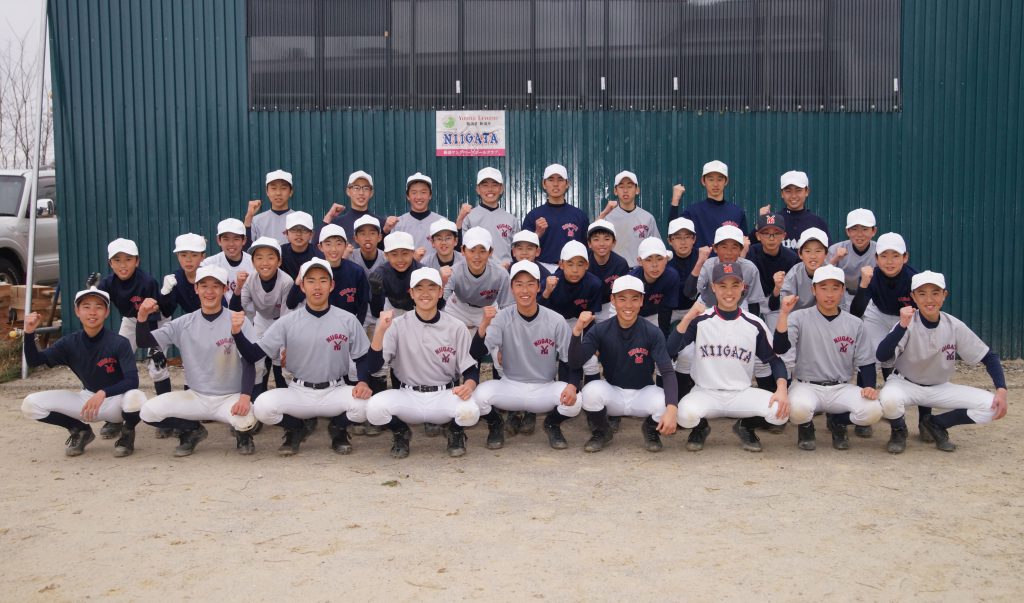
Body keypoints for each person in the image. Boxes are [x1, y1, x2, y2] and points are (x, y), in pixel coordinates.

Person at [231, 258, 374, 456]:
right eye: (311, 281)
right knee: (262, 407)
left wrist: (363, 382)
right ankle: (296, 428)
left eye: (323, 280)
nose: (317, 286)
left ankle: (338, 428)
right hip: (299, 391)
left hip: (335, 389)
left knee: (368, 406)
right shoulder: (287, 321)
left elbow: (362, 357)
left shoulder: (347, 319)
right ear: (302, 286)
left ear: (332, 285)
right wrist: (237, 333)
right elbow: (253, 354)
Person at [876, 271, 1008, 453]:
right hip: (905, 385)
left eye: (935, 293)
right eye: (922, 293)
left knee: (993, 407)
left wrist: (1001, 389)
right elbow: (882, 355)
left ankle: (936, 423)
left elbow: (988, 356)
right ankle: (898, 430)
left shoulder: (953, 325)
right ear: (913, 297)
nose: (929, 299)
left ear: (944, 295)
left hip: (939, 388)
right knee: (888, 400)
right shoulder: (907, 323)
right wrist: (901, 326)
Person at [135, 266, 259, 456]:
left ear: (225, 288)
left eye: (216, 286)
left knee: (246, 420)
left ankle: (243, 436)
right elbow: (144, 341)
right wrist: (142, 316)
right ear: (196, 288)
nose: (209, 291)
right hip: (196, 396)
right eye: (204, 286)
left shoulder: (236, 320)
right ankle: (192, 430)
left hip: (229, 397)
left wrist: (244, 397)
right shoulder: (184, 323)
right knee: (148, 412)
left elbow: (249, 361)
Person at [669, 262, 791, 453]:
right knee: (684, 415)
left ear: (743, 287)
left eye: (735, 285)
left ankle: (745, 426)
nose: (729, 292)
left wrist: (782, 389)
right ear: (713, 287)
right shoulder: (701, 320)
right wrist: (687, 317)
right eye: (722, 285)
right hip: (705, 392)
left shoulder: (754, 323)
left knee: (780, 412)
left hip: (741, 393)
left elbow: (775, 360)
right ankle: (700, 428)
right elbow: (671, 349)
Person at [364, 268, 481, 458]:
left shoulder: (456, 326)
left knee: (471, 412)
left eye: (431, 287)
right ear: (411, 293)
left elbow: (470, 369)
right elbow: (373, 367)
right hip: (408, 396)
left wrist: (468, 385)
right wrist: (379, 332)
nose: (425, 293)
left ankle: (455, 431)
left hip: (443, 395)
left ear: (440, 292)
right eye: (419, 288)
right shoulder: (397, 325)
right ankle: (401, 432)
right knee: (373, 409)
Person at [20, 287, 146, 457]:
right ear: (77, 311)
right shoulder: (69, 343)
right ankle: (80, 430)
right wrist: (29, 333)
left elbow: (132, 381)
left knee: (137, 398)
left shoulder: (119, 342)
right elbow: (35, 361)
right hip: (87, 401)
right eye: (86, 307)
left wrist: (103, 393)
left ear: (107, 312)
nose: (92, 312)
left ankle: (127, 433)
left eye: (99, 307)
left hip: (116, 402)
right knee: (31, 404)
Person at [470, 261, 583, 450]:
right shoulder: (502, 317)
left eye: (530, 284)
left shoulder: (555, 320)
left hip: (544, 387)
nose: (525, 290)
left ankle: (552, 424)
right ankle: (496, 424)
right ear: (511, 288)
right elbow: (476, 353)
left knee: (576, 400)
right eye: (519, 284)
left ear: (539, 287)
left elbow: (571, 359)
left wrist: (572, 385)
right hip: (510, 386)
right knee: (478, 397)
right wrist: (483, 325)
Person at [771, 265, 882, 450]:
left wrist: (869, 386)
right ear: (813, 290)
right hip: (807, 386)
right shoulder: (798, 317)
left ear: (843, 291)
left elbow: (866, 362)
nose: (829, 294)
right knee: (797, 410)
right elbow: (780, 348)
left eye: (835, 288)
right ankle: (806, 426)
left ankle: (838, 422)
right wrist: (783, 314)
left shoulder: (855, 323)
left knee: (873, 410)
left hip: (841, 386)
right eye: (823, 288)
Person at [569, 275, 678, 453]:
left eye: (634, 299)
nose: (628, 305)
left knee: (664, 401)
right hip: (613, 392)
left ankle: (650, 430)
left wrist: (672, 409)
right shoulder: (600, 330)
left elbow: (667, 371)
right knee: (590, 392)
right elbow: (575, 362)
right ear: (612, 300)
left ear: (642, 301)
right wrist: (577, 330)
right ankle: (602, 431)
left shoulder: (652, 332)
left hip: (643, 393)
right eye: (622, 299)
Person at [95, 238, 171, 438]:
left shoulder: (147, 282)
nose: (123, 264)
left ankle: (166, 417)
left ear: (137, 261)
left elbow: (152, 316)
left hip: (156, 321)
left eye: (128, 259)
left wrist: (154, 348)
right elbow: (95, 305)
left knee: (157, 367)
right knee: (115, 363)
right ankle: (114, 418)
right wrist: (92, 290)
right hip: (130, 320)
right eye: (117, 260)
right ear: (110, 263)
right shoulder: (107, 283)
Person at [850, 232, 918, 437]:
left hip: (905, 317)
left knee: (896, 361)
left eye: (895, 255)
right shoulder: (872, 276)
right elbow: (855, 313)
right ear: (876, 258)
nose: (889, 261)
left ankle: (892, 407)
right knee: (868, 357)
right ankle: (865, 411)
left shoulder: (914, 279)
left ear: (905, 257)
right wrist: (863, 284)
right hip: (877, 314)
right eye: (884, 256)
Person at [229, 236, 294, 393]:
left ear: (279, 261)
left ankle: (282, 396)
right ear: (253, 262)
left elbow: (287, 317)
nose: (265, 262)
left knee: (281, 361)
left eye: (270, 257)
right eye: (259, 257)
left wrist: (286, 345)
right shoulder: (250, 280)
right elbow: (236, 309)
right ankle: (258, 397)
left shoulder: (286, 281)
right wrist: (238, 287)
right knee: (258, 362)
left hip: (282, 321)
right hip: (261, 320)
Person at [286, 224, 369, 325]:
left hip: (346, 325)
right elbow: (291, 304)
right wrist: (298, 282)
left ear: (346, 245)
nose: (334, 249)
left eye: (339, 244)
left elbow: (363, 304)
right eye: (328, 244)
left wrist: (357, 327)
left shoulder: (356, 271)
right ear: (320, 247)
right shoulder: (312, 270)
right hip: (317, 324)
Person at [521, 163, 589, 271]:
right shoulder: (534, 215)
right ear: (544, 184)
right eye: (551, 179)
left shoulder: (579, 215)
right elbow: (523, 249)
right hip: (542, 268)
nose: (556, 184)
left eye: (560, 179)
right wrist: (537, 233)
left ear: (567, 184)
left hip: (571, 270)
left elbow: (587, 247)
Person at [669, 160, 748, 249]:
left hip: (729, 258)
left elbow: (745, 243)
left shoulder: (737, 212)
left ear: (726, 181)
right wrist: (675, 200)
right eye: (711, 179)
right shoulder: (693, 212)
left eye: (720, 179)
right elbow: (673, 230)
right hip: (701, 258)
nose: (715, 184)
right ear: (703, 181)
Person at [456, 167, 520, 268]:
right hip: (476, 271)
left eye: (494, 185)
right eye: (485, 185)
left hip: (505, 271)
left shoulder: (511, 220)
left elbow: (518, 251)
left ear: (501, 189)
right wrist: (459, 220)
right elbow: (459, 248)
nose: (490, 189)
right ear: (478, 189)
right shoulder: (469, 217)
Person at [595, 170, 660, 267]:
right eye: (621, 187)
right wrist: (603, 214)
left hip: (640, 270)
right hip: (615, 270)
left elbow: (656, 247)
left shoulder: (647, 218)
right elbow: (593, 240)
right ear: (615, 191)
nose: (625, 191)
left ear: (637, 190)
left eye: (629, 186)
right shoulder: (608, 217)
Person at [756, 171, 829, 250]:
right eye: (788, 191)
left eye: (798, 190)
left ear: (807, 191)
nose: (793, 196)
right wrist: (761, 223)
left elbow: (827, 252)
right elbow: (752, 249)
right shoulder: (773, 221)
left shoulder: (817, 222)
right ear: (782, 193)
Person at [827, 208, 878, 309]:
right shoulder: (835, 249)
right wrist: (835, 259)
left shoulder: (880, 251)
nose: (859, 234)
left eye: (865, 229)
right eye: (854, 229)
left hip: (871, 298)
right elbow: (821, 276)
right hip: (842, 297)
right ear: (848, 231)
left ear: (874, 231)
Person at [628, 237, 681, 336]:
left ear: (666, 259)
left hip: (655, 315)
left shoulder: (671, 277)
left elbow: (666, 311)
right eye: (648, 260)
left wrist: (663, 337)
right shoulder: (632, 280)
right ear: (640, 261)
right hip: (633, 316)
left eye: (659, 259)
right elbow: (628, 311)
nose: (654, 265)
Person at [388, 172, 446, 257]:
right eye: (414, 192)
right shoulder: (398, 223)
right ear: (408, 196)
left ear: (430, 195)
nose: (419, 197)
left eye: (423, 192)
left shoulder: (442, 222)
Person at [320, 170, 388, 243]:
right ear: (348, 191)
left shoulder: (381, 224)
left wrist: (385, 232)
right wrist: (328, 218)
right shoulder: (337, 223)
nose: (361, 193)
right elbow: (317, 246)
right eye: (356, 188)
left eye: (366, 188)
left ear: (371, 193)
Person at [585, 219, 629, 322]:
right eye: (596, 239)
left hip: (609, 305)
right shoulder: (582, 261)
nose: (602, 243)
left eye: (607, 239)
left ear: (614, 242)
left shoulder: (620, 264)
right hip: (585, 305)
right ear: (589, 243)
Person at [201, 218, 254, 303]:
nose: (231, 244)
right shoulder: (209, 263)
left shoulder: (254, 263)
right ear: (219, 240)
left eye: (236, 239)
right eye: (226, 239)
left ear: (244, 240)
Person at [157, 232, 208, 318]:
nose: (188, 260)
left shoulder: (211, 277)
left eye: (194, 255)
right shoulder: (176, 279)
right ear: (178, 256)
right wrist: (165, 293)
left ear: (203, 256)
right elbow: (167, 312)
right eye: (183, 255)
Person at [244, 169, 294, 245]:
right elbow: (245, 247)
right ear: (267, 192)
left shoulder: (299, 219)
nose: (278, 193)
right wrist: (248, 217)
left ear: (291, 192)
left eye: (283, 188)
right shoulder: (256, 221)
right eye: (273, 188)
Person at [280, 211, 323, 279]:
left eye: (304, 230)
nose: (299, 234)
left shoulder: (319, 254)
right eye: (294, 230)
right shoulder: (279, 252)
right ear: (286, 234)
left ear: (311, 234)